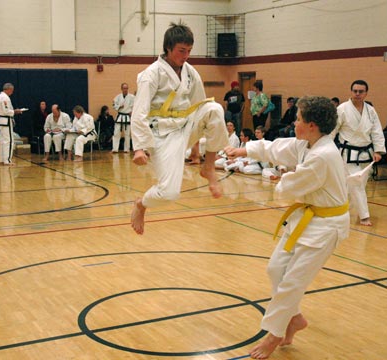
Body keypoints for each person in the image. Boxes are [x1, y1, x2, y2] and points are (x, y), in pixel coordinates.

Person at [225, 96, 350, 359]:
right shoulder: (307, 144)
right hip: (308, 218)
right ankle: (294, 320)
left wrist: (280, 177)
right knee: (276, 269)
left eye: (299, 119)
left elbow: (289, 186)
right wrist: (244, 151)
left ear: (312, 125)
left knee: (292, 282)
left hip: (327, 226)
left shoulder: (323, 155)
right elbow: (277, 149)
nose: (294, 122)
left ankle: (274, 334)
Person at [130, 21, 228, 235]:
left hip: (185, 125)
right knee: (169, 193)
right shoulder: (152, 74)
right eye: (181, 51)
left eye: (189, 51)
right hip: (162, 135)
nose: (185, 55)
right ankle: (141, 204)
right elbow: (139, 111)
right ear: (168, 48)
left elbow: (199, 104)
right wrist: (139, 147)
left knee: (214, 109)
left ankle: (208, 167)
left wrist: (196, 143)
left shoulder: (191, 72)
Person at [331, 80, 385, 226]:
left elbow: (377, 131)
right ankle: (364, 216)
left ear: (366, 93)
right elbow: (333, 130)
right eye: (355, 91)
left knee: (355, 185)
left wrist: (379, 150)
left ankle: (340, 209)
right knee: (357, 184)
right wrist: (327, 148)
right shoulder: (342, 109)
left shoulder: (370, 110)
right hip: (348, 154)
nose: (357, 94)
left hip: (367, 153)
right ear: (351, 92)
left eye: (361, 91)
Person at [0, 83, 23, 166]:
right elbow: (6, 111)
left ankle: (3, 159)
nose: (12, 92)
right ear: (8, 89)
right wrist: (15, 111)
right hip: (6, 120)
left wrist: (13, 111)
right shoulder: (5, 98)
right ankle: (7, 160)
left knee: (3, 141)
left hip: (2, 120)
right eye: (12, 90)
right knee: (9, 141)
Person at [112, 82, 135, 153]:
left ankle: (127, 149)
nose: (125, 89)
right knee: (116, 133)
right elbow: (113, 105)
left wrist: (132, 112)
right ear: (121, 89)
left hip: (127, 116)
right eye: (124, 88)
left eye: (127, 88)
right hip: (120, 116)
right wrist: (119, 106)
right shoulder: (118, 97)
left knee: (127, 134)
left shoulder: (132, 97)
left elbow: (134, 106)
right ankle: (115, 149)